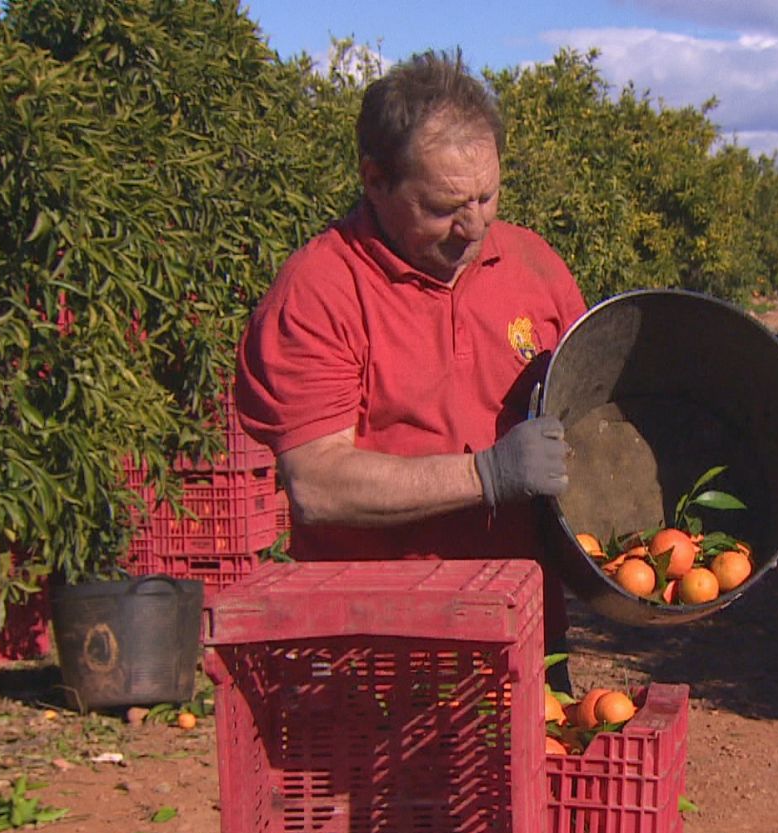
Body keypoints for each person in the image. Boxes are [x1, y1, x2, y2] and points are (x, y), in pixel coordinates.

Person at [234, 49, 588, 690]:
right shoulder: (320, 290)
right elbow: (318, 485)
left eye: (487, 195)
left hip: (523, 630)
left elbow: (588, 405)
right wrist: (488, 474)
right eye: (443, 206)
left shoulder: (534, 265)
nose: (473, 225)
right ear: (375, 181)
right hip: (379, 647)